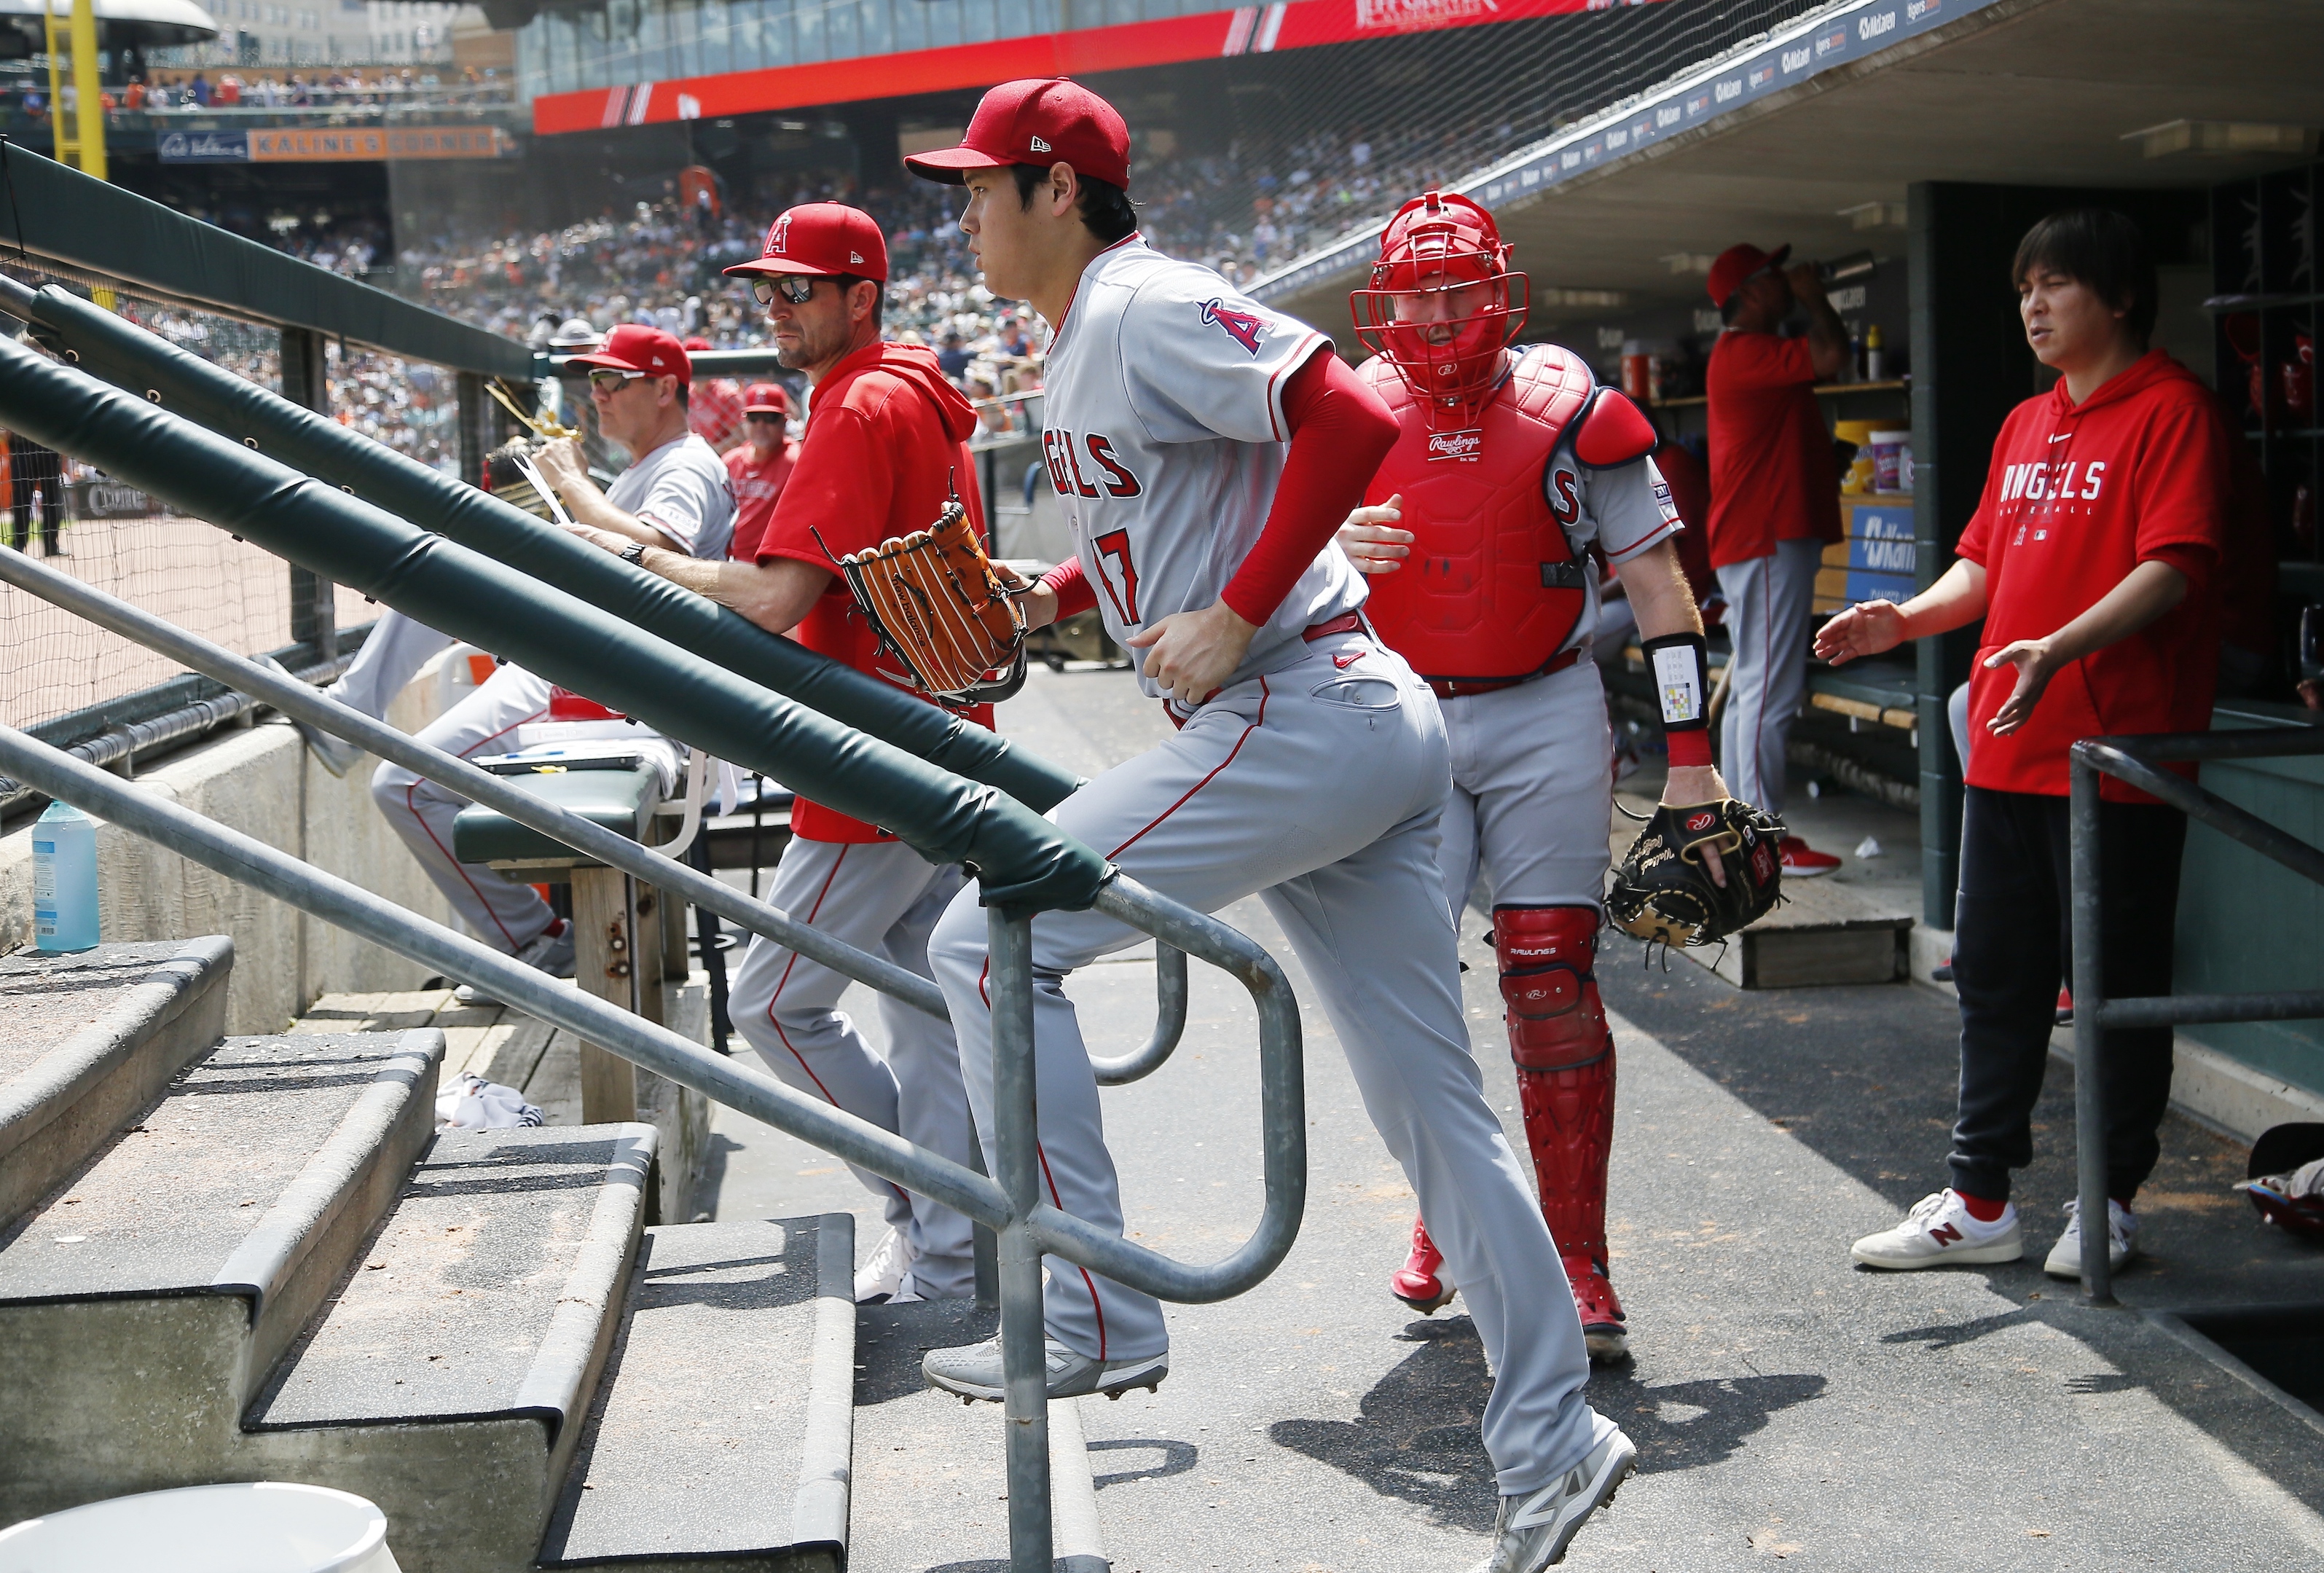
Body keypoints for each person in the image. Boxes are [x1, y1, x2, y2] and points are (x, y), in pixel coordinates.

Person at [905, 79, 1633, 1573]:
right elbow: (1200, 508)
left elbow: (1353, 409)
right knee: (1436, 1111)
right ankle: (1555, 1436)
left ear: (1057, 191)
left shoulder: (1140, 298)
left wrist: (1238, 613)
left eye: (981, 185)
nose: (963, 210)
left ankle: (1095, 1301)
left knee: (990, 931)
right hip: (1340, 721)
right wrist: (1059, 597)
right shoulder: (1085, 333)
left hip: (1306, 705)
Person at [563, 203, 990, 1306]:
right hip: (935, 735)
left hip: (874, 755)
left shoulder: (861, 402)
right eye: (769, 289)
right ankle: (951, 1243)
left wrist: (640, 558)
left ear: (862, 297)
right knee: (930, 1011)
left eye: (800, 288)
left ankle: (928, 1212)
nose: (777, 307)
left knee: (773, 1002)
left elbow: (773, 597)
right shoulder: (915, 390)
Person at [1335, 190, 1731, 1365]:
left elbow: (1663, 595)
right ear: (1388, 300)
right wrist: (1322, 546)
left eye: (1460, 286)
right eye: (1418, 290)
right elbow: (1263, 564)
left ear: (1499, 289)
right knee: (1405, 991)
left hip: (1547, 702)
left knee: (1550, 977)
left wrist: (1694, 761)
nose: (1440, 311)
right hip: (1402, 715)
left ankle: (1575, 1249)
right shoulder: (1347, 414)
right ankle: (1454, 1215)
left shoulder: (1572, 409)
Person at [1821, 209, 2226, 1279]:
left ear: (2122, 297)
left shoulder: (2173, 411)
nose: (2035, 308)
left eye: (2056, 287)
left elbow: (2173, 565)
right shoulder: (2024, 424)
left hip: (2119, 763)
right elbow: (1983, 569)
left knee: (2115, 989)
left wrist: (2060, 645)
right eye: (2023, 291)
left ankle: (2110, 1203)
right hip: (2006, 752)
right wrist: (1905, 620)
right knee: (1997, 982)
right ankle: (1981, 1198)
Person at [369, 323, 732, 1002]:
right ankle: (534, 937)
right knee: (445, 573)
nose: (596, 396)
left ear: (664, 388)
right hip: (589, 676)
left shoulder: (684, 462)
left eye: (611, 381)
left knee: (406, 786)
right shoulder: (647, 464)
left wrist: (572, 486)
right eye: (592, 382)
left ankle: (538, 941)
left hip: (611, 692)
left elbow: (658, 554)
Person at [1703, 241, 1849, 875]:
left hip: (1761, 536)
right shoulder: (1743, 349)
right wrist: (1817, 295)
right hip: (1765, 536)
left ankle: (1747, 831)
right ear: (1753, 291)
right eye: (1774, 276)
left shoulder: (1747, 352)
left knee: (1754, 693)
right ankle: (1763, 843)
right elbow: (1830, 354)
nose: (1786, 283)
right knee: (1768, 692)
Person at [722, 382, 798, 565]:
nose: (761, 425)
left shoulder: (796, 461)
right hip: (730, 559)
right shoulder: (731, 461)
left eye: (770, 418)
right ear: (743, 421)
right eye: (753, 418)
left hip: (774, 562)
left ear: (784, 422)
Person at [6, 428, 65, 557]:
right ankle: (18, 545)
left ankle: (50, 545)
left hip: (48, 444)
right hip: (24, 443)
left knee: (52, 497)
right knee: (21, 498)